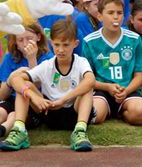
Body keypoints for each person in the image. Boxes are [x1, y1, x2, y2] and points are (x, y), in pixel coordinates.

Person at [0, 20, 95, 152]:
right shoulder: (47, 65)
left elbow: (90, 80)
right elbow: (16, 79)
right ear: (51, 43)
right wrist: (34, 96)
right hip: (48, 111)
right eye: (57, 44)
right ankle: (19, 129)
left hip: (74, 112)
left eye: (66, 45)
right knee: (25, 85)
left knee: (87, 88)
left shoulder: (81, 62)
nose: (61, 50)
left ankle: (80, 131)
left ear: (75, 44)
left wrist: (64, 100)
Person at [82, 0, 142, 126]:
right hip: (102, 90)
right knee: (95, 115)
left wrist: (127, 90)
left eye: (120, 12)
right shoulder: (89, 41)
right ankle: (108, 109)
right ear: (100, 16)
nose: (116, 16)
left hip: (127, 89)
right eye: (110, 12)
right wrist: (107, 86)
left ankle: (121, 111)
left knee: (140, 114)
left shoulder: (134, 39)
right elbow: (87, 78)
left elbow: (139, 76)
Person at [0, 22, 53, 137]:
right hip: (11, 100)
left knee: (14, 114)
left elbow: (38, 87)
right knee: (2, 111)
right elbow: (1, 96)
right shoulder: (10, 57)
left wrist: (32, 60)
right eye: (20, 40)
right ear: (15, 42)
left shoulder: (47, 58)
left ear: (38, 37)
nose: (25, 44)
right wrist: (11, 79)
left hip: (34, 103)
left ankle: (4, 129)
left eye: (29, 39)